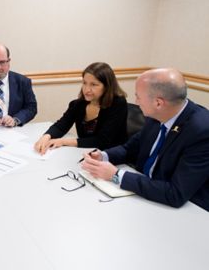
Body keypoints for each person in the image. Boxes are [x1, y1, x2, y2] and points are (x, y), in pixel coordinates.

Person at [82, 68, 209, 211]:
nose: (136, 102)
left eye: (138, 97)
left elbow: (176, 193)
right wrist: (103, 156)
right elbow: (129, 149)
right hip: (144, 194)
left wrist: (116, 175)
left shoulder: (202, 131)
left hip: (186, 210)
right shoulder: (158, 115)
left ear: (158, 103)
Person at [34, 62, 128, 154]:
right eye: (84, 83)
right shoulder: (78, 104)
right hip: (86, 153)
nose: (87, 89)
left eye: (93, 84)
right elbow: (61, 126)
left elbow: (102, 140)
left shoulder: (118, 104)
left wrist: (63, 142)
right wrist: (46, 137)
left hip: (111, 157)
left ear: (107, 86)